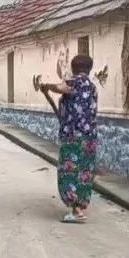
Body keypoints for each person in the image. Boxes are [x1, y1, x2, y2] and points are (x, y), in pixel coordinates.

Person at [41, 55, 98, 223]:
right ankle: (80, 205)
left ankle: (76, 211)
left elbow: (60, 87)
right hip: (89, 137)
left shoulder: (75, 82)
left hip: (73, 136)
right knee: (85, 171)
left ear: (73, 68)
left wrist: (46, 86)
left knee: (69, 171)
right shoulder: (92, 86)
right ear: (90, 68)